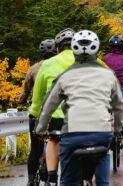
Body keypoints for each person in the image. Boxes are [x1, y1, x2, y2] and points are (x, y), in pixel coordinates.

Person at [36, 30, 123, 186]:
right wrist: (117, 129)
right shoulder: (108, 74)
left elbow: (48, 105)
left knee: (68, 181)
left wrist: (41, 129)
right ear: (96, 49)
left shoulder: (65, 76)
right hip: (102, 133)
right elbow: (119, 105)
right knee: (103, 174)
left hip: (73, 133)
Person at [29, 28, 76, 186]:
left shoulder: (48, 64)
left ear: (57, 48)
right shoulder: (87, 61)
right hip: (82, 115)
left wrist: (35, 113)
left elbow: (37, 95)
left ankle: (51, 176)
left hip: (56, 116)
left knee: (54, 139)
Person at [20, 38, 57, 184]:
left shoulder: (34, 69)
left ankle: (30, 180)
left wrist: (21, 101)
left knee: (35, 149)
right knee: (56, 143)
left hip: (37, 114)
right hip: (55, 113)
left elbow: (25, 91)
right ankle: (52, 174)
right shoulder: (59, 67)